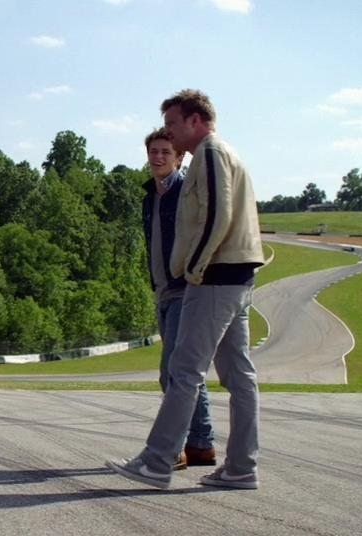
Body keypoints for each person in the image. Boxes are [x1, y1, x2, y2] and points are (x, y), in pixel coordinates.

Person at [108, 89, 265, 490]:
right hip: (237, 277)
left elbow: (216, 215)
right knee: (239, 376)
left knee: (184, 371)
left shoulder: (209, 153)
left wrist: (194, 268)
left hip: (214, 277)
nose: (170, 133)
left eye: (173, 124)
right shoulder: (225, 153)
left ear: (195, 120)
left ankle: (157, 461)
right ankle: (241, 467)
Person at [139, 127, 216, 471]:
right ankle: (201, 444)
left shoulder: (185, 192)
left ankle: (173, 448)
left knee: (173, 371)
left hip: (185, 289)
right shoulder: (150, 197)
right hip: (163, 290)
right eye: (153, 151)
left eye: (165, 152)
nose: (158, 157)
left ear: (180, 157)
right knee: (187, 370)